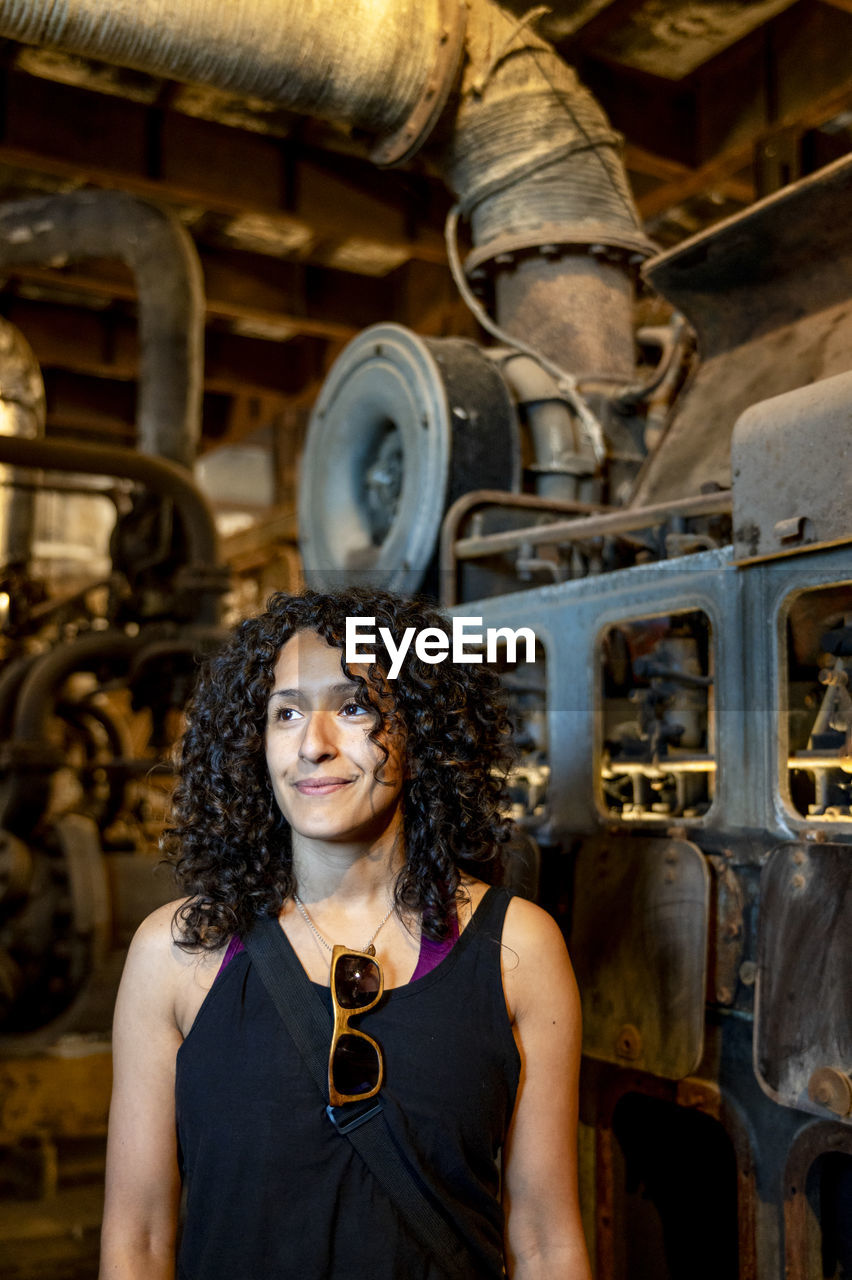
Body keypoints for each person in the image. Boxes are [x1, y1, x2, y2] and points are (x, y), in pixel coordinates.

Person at [99, 588, 591, 1280]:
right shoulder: (177, 954)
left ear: (422, 732)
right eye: (287, 713)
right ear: (254, 743)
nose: (313, 745)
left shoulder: (519, 951)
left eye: (354, 706)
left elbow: (544, 1240)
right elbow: (139, 1241)